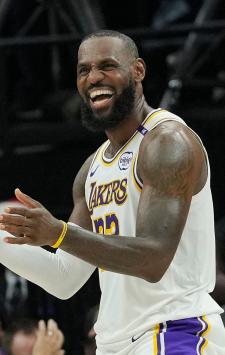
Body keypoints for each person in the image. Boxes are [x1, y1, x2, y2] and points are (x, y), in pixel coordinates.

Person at [0, 29, 225, 354]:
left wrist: (59, 233)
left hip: (173, 330)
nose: (93, 77)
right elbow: (65, 277)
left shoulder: (166, 142)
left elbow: (154, 258)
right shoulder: (91, 169)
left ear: (138, 71)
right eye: (84, 70)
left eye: (107, 66)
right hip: (114, 342)